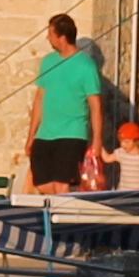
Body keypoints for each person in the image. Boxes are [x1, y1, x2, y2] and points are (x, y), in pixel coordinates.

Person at [26, 14, 104, 192]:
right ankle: (59, 208)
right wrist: (31, 135)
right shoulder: (48, 62)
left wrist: (97, 140)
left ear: (61, 37)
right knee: (42, 184)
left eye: (50, 34)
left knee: (62, 185)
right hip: (45, 134)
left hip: (72, 133)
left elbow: (96, 106)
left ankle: (61, 210)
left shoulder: (86, 66)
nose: (48, 38)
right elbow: (40, 99)